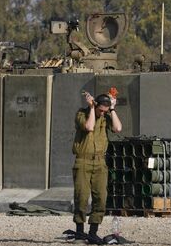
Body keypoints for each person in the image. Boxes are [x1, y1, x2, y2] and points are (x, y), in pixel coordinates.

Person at [72, 92, 122, 244]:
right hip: (83, 162)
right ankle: (80, 233)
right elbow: (89, 126)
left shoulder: (106, 116)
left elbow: (118, 128)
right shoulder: (82, 113)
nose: (102, 113)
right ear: (95, 106)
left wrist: (112, 109)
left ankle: (93, 232)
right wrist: (92, 108)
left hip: (100, 163)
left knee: (101, 198)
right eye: (101, 110)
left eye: (104, 111)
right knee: (81, 197)